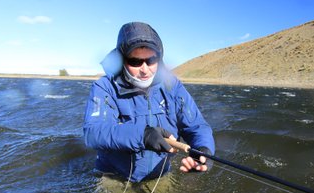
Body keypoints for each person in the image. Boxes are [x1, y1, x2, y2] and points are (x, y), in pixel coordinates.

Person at [83, 22, 215, 182]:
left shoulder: (172, 85)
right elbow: (94, 132)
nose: (145, 69)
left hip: (159, 177)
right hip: (113, 177)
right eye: (135, 62)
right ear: (122, 60)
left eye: (151, 60)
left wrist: (204, 150)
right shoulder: (104, 87)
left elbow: (196, 126)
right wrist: (143, 135)